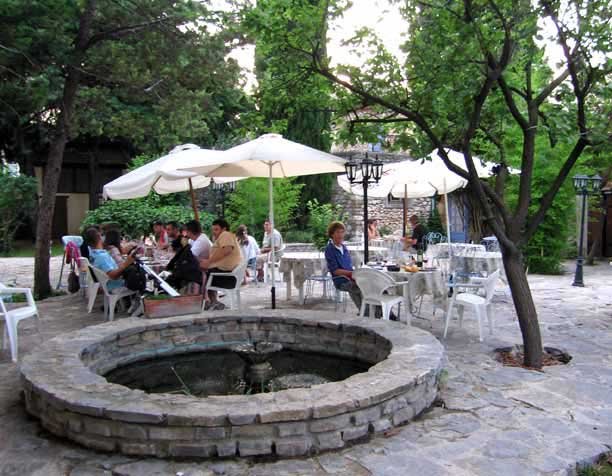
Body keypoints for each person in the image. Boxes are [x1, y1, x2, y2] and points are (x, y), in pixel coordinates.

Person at [200, 218, 243, 310]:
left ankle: (204, 301)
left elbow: (227, 250)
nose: (214, 232)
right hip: (229, 275)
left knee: (198, 274)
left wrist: (209, 261)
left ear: (224, 229)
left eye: (216, 229)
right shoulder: (226, 237)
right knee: (202, 270)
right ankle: (213, 301)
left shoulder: (225, 234)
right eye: (213, 230)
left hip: (227, 277)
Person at [325, 221, 363, 311]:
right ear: (332, 234)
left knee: (372, 285)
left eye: (342, 232)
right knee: (361, 287)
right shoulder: (330, 250)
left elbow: (349, 266)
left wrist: (357, 272)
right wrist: (352, 273)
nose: (340, 235)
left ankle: (373, 312)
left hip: (351, 277)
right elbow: (335, 271)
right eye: (338, 232)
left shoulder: (344, 248)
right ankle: (366, 312)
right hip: (341, 280)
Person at [85, 227, 135, 292]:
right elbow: (113, 276)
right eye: (103, 234)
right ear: (100, 237)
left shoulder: (92, 253)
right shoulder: (102, 256)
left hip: (103, 283)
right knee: (138, 278)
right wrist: (126, 263)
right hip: (113, 285)